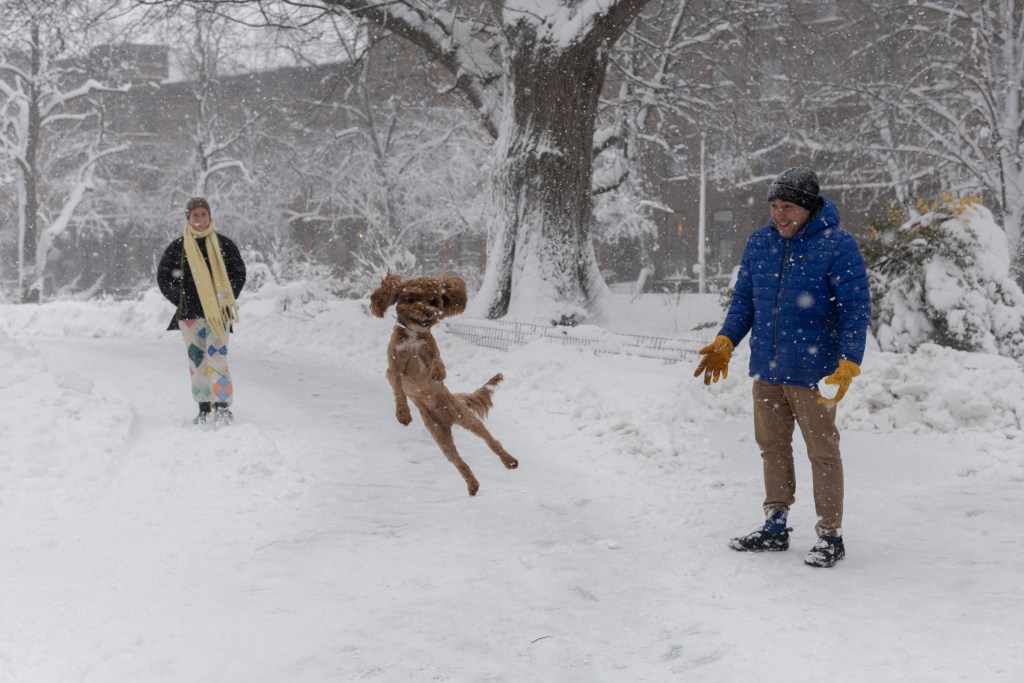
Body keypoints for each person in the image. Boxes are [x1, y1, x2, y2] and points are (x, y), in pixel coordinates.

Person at [694, 167, 871, 568]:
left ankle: (830, 535)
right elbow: (744, 303)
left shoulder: (837, 245)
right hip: (768, 371)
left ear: (807, 208)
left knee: (822, 452)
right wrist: (726, 340)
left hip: (814, 372)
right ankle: (775, 525)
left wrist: (849, 360)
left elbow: (855, 308)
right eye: (774, 206)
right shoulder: (760, 243)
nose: (779, 215)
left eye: (787, 207)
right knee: (772, 448)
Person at [157, 197, 247, 425]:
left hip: (218, 315)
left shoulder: (224, 245)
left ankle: (223, 406)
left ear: (210, 216)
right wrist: (181, 299)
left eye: (203, 214)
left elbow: (238, 274)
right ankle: (204, 407)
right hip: (189, 316)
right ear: (188, 217)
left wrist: (225, 298)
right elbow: (164, 277)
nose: (199, 219)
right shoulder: (178, 248)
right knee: (197, 362)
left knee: (218, 361)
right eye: (195, 215)